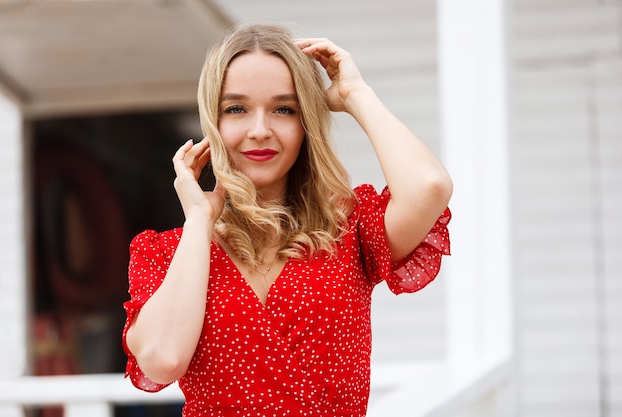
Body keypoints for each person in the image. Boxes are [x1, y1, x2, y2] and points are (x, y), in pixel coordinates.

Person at [122, 22, 452, 417]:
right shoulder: (165, 253)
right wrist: (198, 220)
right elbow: (161, 359)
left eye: (284, 109)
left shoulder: (350, 231)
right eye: (236, 109)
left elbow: (429, 186)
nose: (260, 130)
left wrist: (354, 94)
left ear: (305, 122)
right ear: (214, 122)